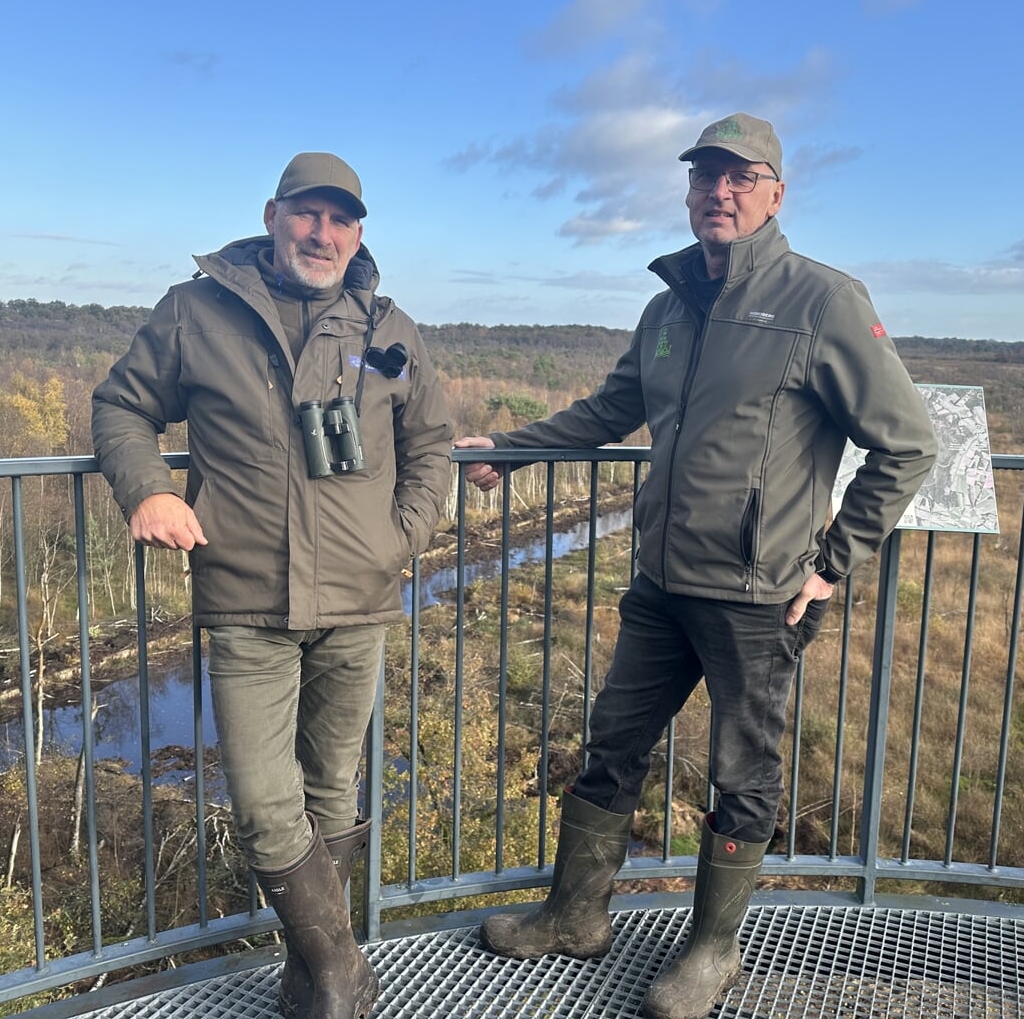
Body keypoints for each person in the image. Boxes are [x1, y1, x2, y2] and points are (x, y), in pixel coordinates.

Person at [457, 113, 938, 1019]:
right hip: (662, 584)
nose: (719, 192)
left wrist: (832, 565)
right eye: (704, 176)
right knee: (611, 747)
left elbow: (907, 445)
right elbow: (611, 409)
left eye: (740, 177)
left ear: (775, 194)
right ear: (687, 192)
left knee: (741, 774)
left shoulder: (823, 302)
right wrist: (513, 449)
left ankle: (712, 953)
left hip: (760, 596)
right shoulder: (669, 307)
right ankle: (575, 916)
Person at [92, 152, 452, 1019]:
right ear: (272, 215)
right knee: (262, 803)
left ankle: (314, 977)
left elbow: (432, 442)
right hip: (247, 597)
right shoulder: (196, 311)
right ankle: (341, 969)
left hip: (359, 599)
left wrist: (401, 536)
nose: (322, 233)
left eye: (340, 219)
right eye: (306, 213)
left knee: (331, 790)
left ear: (358, 234)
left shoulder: (388, 328)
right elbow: (122, 405)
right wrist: (147, 490)